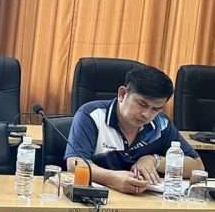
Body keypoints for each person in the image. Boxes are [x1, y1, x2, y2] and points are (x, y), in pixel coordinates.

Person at [65, 64, 204, 194]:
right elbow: (74, 163)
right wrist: (112, 178)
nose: (147, 115)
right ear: (122, 94)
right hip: (99, 202)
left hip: (145, 203)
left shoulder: (162, 124)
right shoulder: (91, 115)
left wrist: (154, 160)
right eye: (142, 104)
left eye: (155, 109)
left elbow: (197, 166)